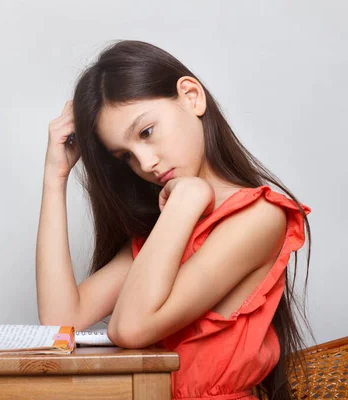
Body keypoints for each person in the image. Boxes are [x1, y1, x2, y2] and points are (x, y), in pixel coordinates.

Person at [35, 40, 312, 400]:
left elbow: (131, 328)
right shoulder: (165, 231)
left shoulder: (260, 217)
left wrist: (189, 198)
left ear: (191, 96)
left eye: (146, 132)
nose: (145, 163)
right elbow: (61, 321)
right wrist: (54, 177)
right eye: (125, 156)